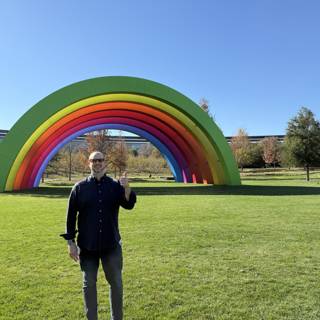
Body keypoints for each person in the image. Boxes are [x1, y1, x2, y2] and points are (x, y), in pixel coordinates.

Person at [60, 151, 136, 320]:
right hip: (87, 247)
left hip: (111, 245)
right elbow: (70, 217)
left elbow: (129, 204)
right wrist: (70, 243)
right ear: (89, 163)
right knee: (89, 285)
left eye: (100, 160)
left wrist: (127, 187)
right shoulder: (79, 188)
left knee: (116, 284)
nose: (98, 163)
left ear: (105, 163)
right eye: (94, 160)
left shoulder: (115, 186)